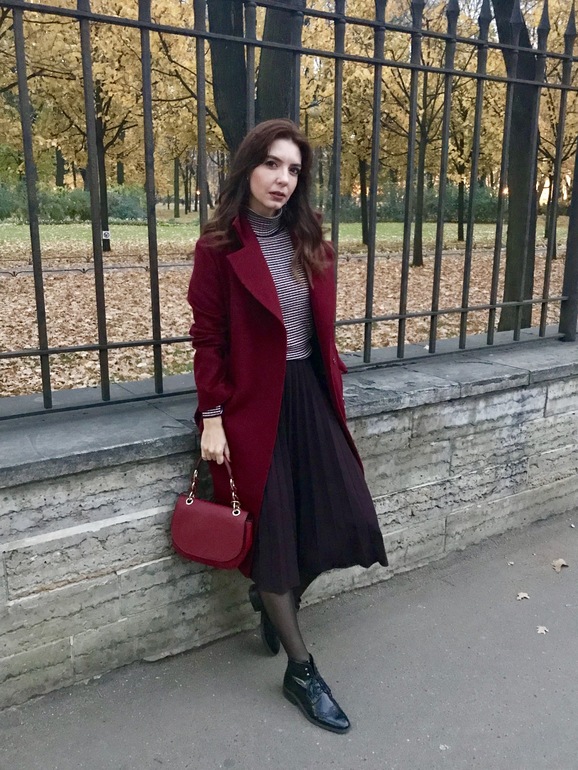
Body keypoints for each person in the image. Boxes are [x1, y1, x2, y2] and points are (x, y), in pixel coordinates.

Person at [187, 118, 387, 734]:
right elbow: (207, 337)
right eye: (272, 164)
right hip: (254, 405)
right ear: (248, 167)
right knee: (274, 533)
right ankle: (301, 671)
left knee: (347, 515)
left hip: (310, 396)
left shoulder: (309, 237)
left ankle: (271, 599)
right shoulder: (219, 245)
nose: (282, 178)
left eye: (294, 169)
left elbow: (317, 328)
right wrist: (212, 416)